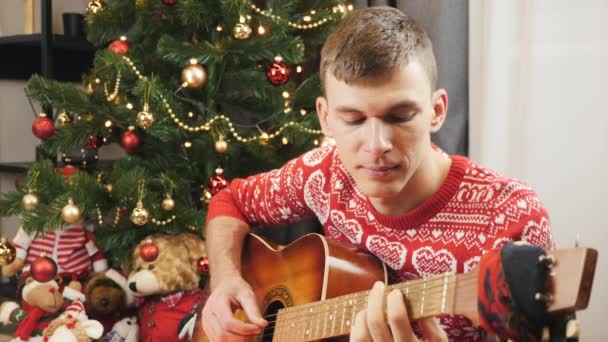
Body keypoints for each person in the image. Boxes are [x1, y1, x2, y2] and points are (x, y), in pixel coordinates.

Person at [202, 6, 553, 342]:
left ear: (436, 110)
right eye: (353, 120)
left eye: (399, 116)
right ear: (325, 118)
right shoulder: (323, 174)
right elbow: (230, 201)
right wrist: (225, 280)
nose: (376, 145)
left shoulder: (511, 214)